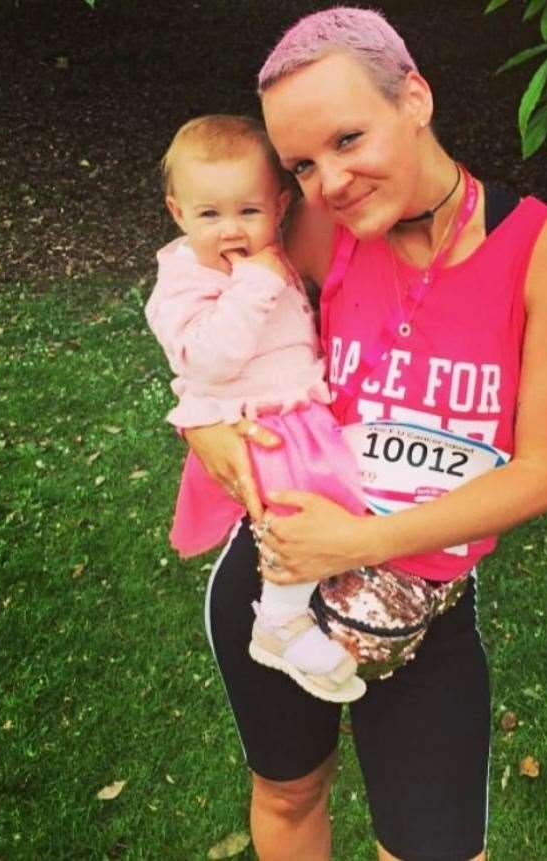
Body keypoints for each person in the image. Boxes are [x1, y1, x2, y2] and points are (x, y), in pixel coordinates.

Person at [183, 8, 547, 861]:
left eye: (347, 139)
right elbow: (200, 337)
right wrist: (207, 438)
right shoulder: (318, 230)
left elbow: (546, 471)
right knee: (291, 790)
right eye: (301, 164)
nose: (328, 181)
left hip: (426, 609)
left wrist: (365, 538)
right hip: (276, 578)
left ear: (414, 96)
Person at [145, 114, 367, 703]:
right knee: (301, 507)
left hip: (298, 410)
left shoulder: (267, 257)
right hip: (255, 425)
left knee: (347, 491)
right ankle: (280, 620)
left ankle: (335, 598)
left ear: (279, 206)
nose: (230, 231)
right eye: (208, 215)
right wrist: (257, 282)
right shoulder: (184, 281)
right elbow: (206, 359)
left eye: (248, 211)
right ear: (177, 213)